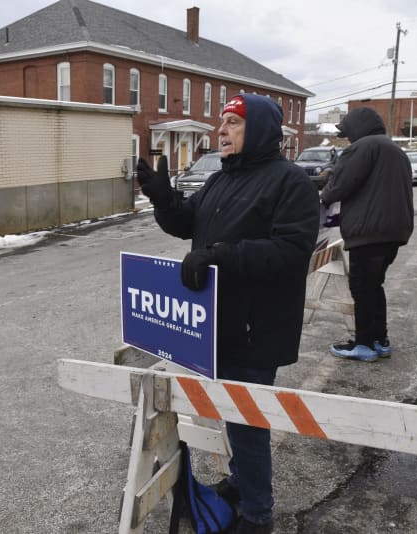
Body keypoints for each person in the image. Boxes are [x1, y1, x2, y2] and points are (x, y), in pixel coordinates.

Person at [136, 94, 319, 534]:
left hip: (256, 324)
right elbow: (189, 223)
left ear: (257, 131)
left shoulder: (290, 182)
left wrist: (220, 256)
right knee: (232, 414)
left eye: (234, 123)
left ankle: (258, 515)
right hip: (214, 322)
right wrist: (164, 200)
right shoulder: (221, 180)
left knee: (248, 421)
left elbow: (292, 251)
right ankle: (240, 484)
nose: (221, 130)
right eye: (222, 122)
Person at [320, 107, 414, 362]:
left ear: (357, 128)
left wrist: (323, 195)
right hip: (395, 231)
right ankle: (379, 340)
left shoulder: (362, 148)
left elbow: (340, 185)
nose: (347, 139)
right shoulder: (394, 150)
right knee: (374, 286)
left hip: (369, 231)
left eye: (348, 132)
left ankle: (363, 345)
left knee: (361, 287)